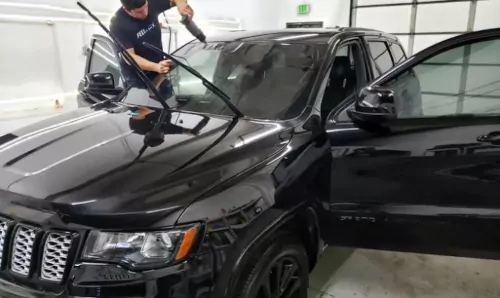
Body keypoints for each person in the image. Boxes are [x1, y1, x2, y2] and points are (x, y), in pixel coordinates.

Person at [110, 0, 194, 91]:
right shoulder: (118, 24)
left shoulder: (151, 2)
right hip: (136, 76)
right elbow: (129, 57)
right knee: (143, 102)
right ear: (126, 10)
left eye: (146, 7)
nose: (145, 12)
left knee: (168, 99)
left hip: (159, 66)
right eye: (139, 11)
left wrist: (182, 6)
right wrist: (155, 67)